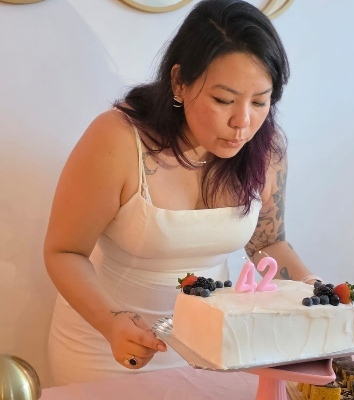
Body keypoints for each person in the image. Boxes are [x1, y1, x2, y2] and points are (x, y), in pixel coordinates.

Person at [44, 0, 320, 386]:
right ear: (179, 82)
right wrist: (111, 322)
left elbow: (267, 244)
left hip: (213, 347)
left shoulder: (266, 149)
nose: (242, 122)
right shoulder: (118, 140)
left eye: (260, 102)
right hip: (109, 345)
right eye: (223, 100)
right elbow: (64, 252)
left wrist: (317, 294)